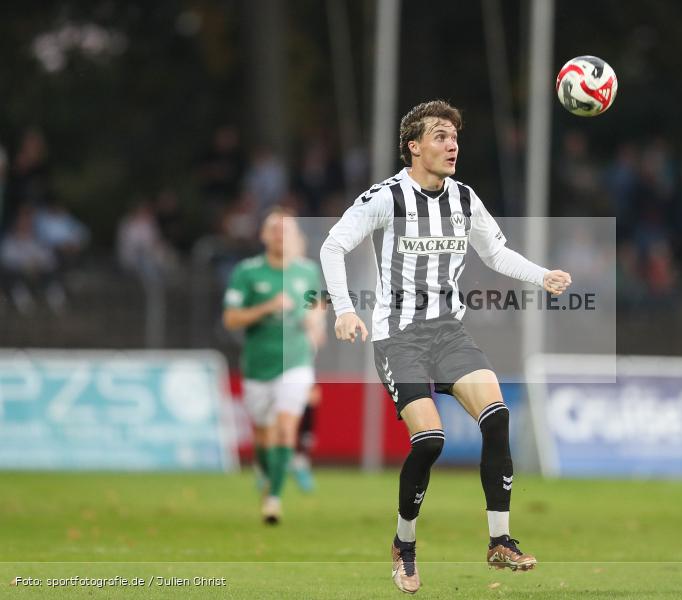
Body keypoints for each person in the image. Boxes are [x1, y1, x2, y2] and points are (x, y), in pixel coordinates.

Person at [319, 100, 571, 594]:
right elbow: (332, 245)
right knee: (430, 441)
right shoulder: (386, 197)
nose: (451, 143)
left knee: (497, 416)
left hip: (449, 333)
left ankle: (500, 540)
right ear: (413, 146)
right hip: (399, 338)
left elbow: (495, 252)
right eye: (439, 135)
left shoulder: (464, 198)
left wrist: (543, 276)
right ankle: (404, 544)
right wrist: (344, 309)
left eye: (454, 135)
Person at [223, 207, 325, 524]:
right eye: (276, 230)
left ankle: (273, 500)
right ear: (264, 236)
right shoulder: (247, 272)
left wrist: (315, 323)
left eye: (288, 231)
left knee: (285, 429)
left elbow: (317, 309)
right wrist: (268, 306)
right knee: (264, 438)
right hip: (257, 365)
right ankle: (268, 475)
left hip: (295, 363)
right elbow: (230, 319)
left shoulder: (307, 272)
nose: (282, 236)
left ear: (297, 238)